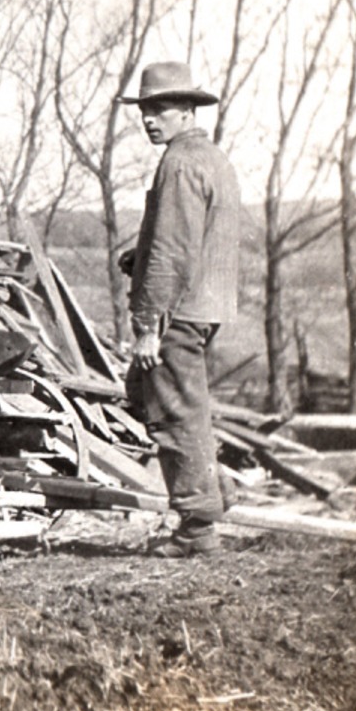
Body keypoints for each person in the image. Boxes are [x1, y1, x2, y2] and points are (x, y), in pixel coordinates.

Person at [119, 61, 242, 558]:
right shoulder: (210, 157)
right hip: (204, 306)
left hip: (177, 313)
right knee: (157, 397)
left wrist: (149, 325)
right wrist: (138, 257)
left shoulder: (178, 163)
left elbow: (174, 250)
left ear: (188, 110)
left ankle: (197, 529)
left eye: (161, 108)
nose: (150, 118)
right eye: (146, 109)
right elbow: (189, 239)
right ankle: (214, 494)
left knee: (174, 414)